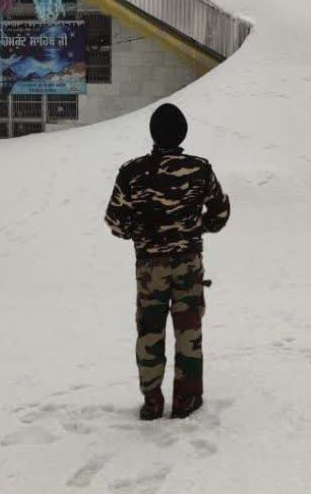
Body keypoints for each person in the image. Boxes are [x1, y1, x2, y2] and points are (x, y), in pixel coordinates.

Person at [105, 103, 231, 420]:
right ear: (183, 133)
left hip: (150, 266)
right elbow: (220, 214)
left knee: (150, 331)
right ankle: (187, 399)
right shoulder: (200, 169)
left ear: (152, 133)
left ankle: (152, 402)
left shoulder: (131, 172)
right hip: (189, 262)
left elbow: (115, 222)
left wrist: (141, 234)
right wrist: (196, 228)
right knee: (189, 330)